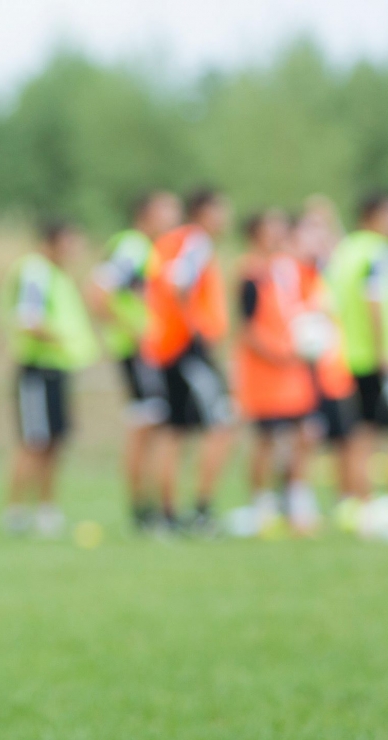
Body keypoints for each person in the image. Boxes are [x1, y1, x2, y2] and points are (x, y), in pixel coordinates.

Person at [140, 186, 236, 536]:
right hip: (186, 349)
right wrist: (198, 330)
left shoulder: (170, 242)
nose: (227, 218)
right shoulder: (196, 241)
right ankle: (201, 510)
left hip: (166, 348)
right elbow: (180, 283)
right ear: (204, 212)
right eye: (222, 210)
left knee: (174, 431)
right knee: (222, 423)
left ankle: (167, 515)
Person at [88, 190, 184, 533]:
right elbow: (99, 294)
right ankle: (144, 511)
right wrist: (137, 331)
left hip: (150, 352)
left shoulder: (149, 250)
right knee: (146, 427)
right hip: (139, 353)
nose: (175, 214)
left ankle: (151, 510)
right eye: (167, 207)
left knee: (154, 427)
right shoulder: (132, 246)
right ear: (147, 212)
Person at [328, 190, 388, 516]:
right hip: (385, 359)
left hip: (351, 358)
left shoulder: (345, 251)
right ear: (373, 216)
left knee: (362, 435)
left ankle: (360, 508)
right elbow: (375, 299)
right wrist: (384, 351)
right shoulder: (378, 252)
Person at [5, 219, 98, 538]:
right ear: (53, 241)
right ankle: (15, 513)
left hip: (58, 370)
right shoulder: (36, 272)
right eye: (70, 243)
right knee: (33, 441)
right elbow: (28, 319)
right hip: (37, 370)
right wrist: (59, 339)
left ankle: (47, 511)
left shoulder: (58, 275)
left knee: (55, 443)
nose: (75, 250)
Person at [234, 209, 320, 536]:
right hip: (266, 374)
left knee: (304, 435)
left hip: (293, 373)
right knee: (265, 441)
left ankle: (297, 501)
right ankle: (262, 506)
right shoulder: (250, 273)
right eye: (272, 227)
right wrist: (278, 354)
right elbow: (248, 329)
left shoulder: (284, 271)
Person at [291, 197, 366, 530]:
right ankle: (299, 502)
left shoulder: (336, 268)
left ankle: (346, 502)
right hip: (303, 369)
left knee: (345, 436)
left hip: (334, 368)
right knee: (306, 435)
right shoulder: (293, 272)